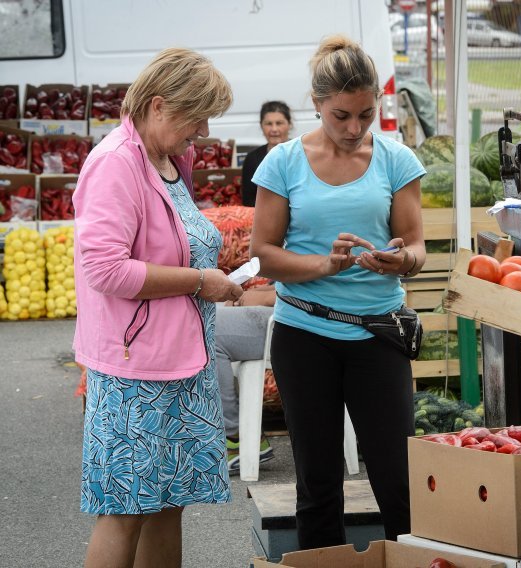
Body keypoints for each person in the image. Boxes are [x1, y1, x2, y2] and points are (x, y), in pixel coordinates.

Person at [249, 34, 426, 549]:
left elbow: (416, 247)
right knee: (318, 483)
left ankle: (413, 562)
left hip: (379, 335)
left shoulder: (396, 160)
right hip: (305, 336)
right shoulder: (283, 163)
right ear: (317, 104)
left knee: (399, 481)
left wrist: (401, 259)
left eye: (366, 115)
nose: (354, 129)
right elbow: (262, 254)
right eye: (341, 116)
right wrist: (322, 265)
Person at [73, 47, 243, 568]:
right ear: (159, 105)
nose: (206, 129)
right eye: (198, 116)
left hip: (179, 361)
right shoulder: (115, 165)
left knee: (168, 505)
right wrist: (199, 281)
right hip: (135, 371)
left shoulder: (168, 158)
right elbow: (105, 270)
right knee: (125, 510)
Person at [215, 283, 277, 473]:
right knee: (203, 311)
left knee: (206, 329)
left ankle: (233, 437)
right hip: (285, 305)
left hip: (302, 318)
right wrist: (249, 294)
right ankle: (247, 437)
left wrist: (265, 298)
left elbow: (327, 288)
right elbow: (293, 280)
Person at [241, 100, 293, 206]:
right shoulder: (252, 159)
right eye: (269, 124)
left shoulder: (301, 155)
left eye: (279, 123)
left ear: (289, 124)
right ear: (261, 126)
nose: (274, 129)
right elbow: (248, 200)